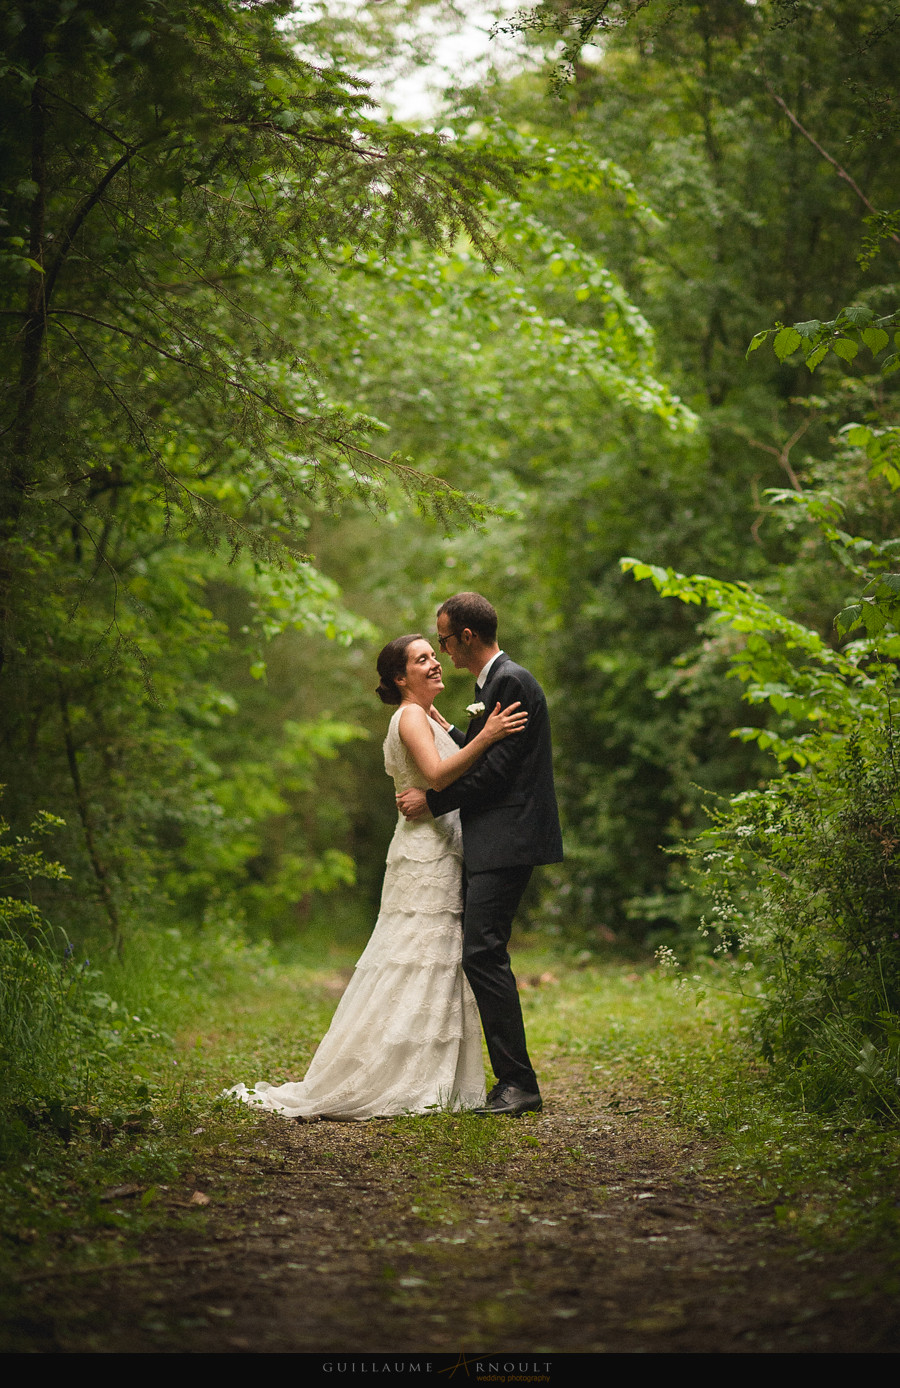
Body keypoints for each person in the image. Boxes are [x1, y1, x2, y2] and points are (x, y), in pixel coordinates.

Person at [227, 632, 528, 1121]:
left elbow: (440, 757)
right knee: (417, 954)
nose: (434, 663)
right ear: (399, 677)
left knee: (435, 957)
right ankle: (399, 1074)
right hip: (426, 853)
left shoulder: (421, 715)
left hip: (439, 847)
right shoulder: (409, 715)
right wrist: (488, 735)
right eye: (421, 659)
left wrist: (453, 728)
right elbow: (435, 775)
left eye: (435, 654)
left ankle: (430, 1072)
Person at [396, 593, 563, 1118]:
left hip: (509, 835)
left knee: (482, 953)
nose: (442, 651)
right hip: (498, 836)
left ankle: (518, 1082)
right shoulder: (493, 682)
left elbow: (496, 773)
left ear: (466, 636)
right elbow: (486, 750)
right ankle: (514, 1080)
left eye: (443, 640)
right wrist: (452, 731)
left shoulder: (509, 680)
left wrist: (433, 801)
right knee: (483, 952)